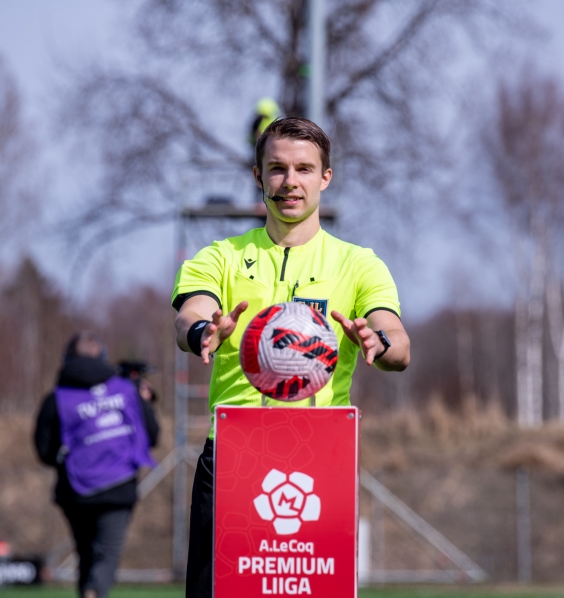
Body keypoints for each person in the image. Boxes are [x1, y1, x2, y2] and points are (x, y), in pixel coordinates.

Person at [171, 116, 411, 597]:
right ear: (258, 176)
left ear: (326, 177)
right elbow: (189, 315)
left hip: (321, 456)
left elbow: (398, 342)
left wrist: (378, 342)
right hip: (232, 455)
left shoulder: (358, 263)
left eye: (304, 169)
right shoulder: (220, 256)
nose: (290, 181)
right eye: (277, 168)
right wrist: (203, 330)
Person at [33, 331, 159, 598]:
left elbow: (44, 451)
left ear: (66, 359)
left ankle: (89, 591)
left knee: (87, 555)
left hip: (75, 489)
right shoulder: (126, 389)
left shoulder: (57, 398)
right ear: (102, 357)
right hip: (119, 486)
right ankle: (93, 593)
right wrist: (146, 403)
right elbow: (151, 434)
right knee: (106, 556)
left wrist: (69, 459)